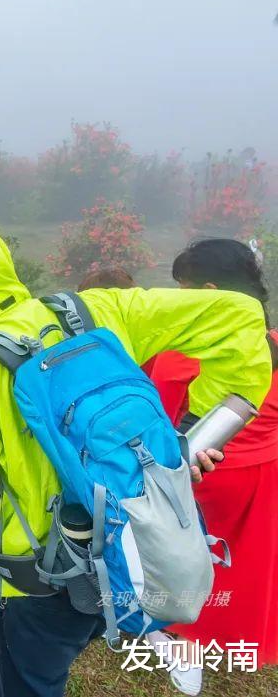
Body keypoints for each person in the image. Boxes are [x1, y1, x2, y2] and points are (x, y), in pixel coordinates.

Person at [0, 219, 271, 697]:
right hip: (134, 546)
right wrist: (191, 436)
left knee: (33, 680)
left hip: (46, 575)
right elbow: (238, 316)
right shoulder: (98, 308)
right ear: (4, 260)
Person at [142, 239, 278, 695]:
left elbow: (156, 422)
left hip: (202, 478)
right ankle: (218, 633)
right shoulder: (272, 342)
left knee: (180, 557)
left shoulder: (183, 357)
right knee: (239, 567)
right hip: (263, 480)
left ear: (212, 291)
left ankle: (176, 639)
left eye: (183, 289)